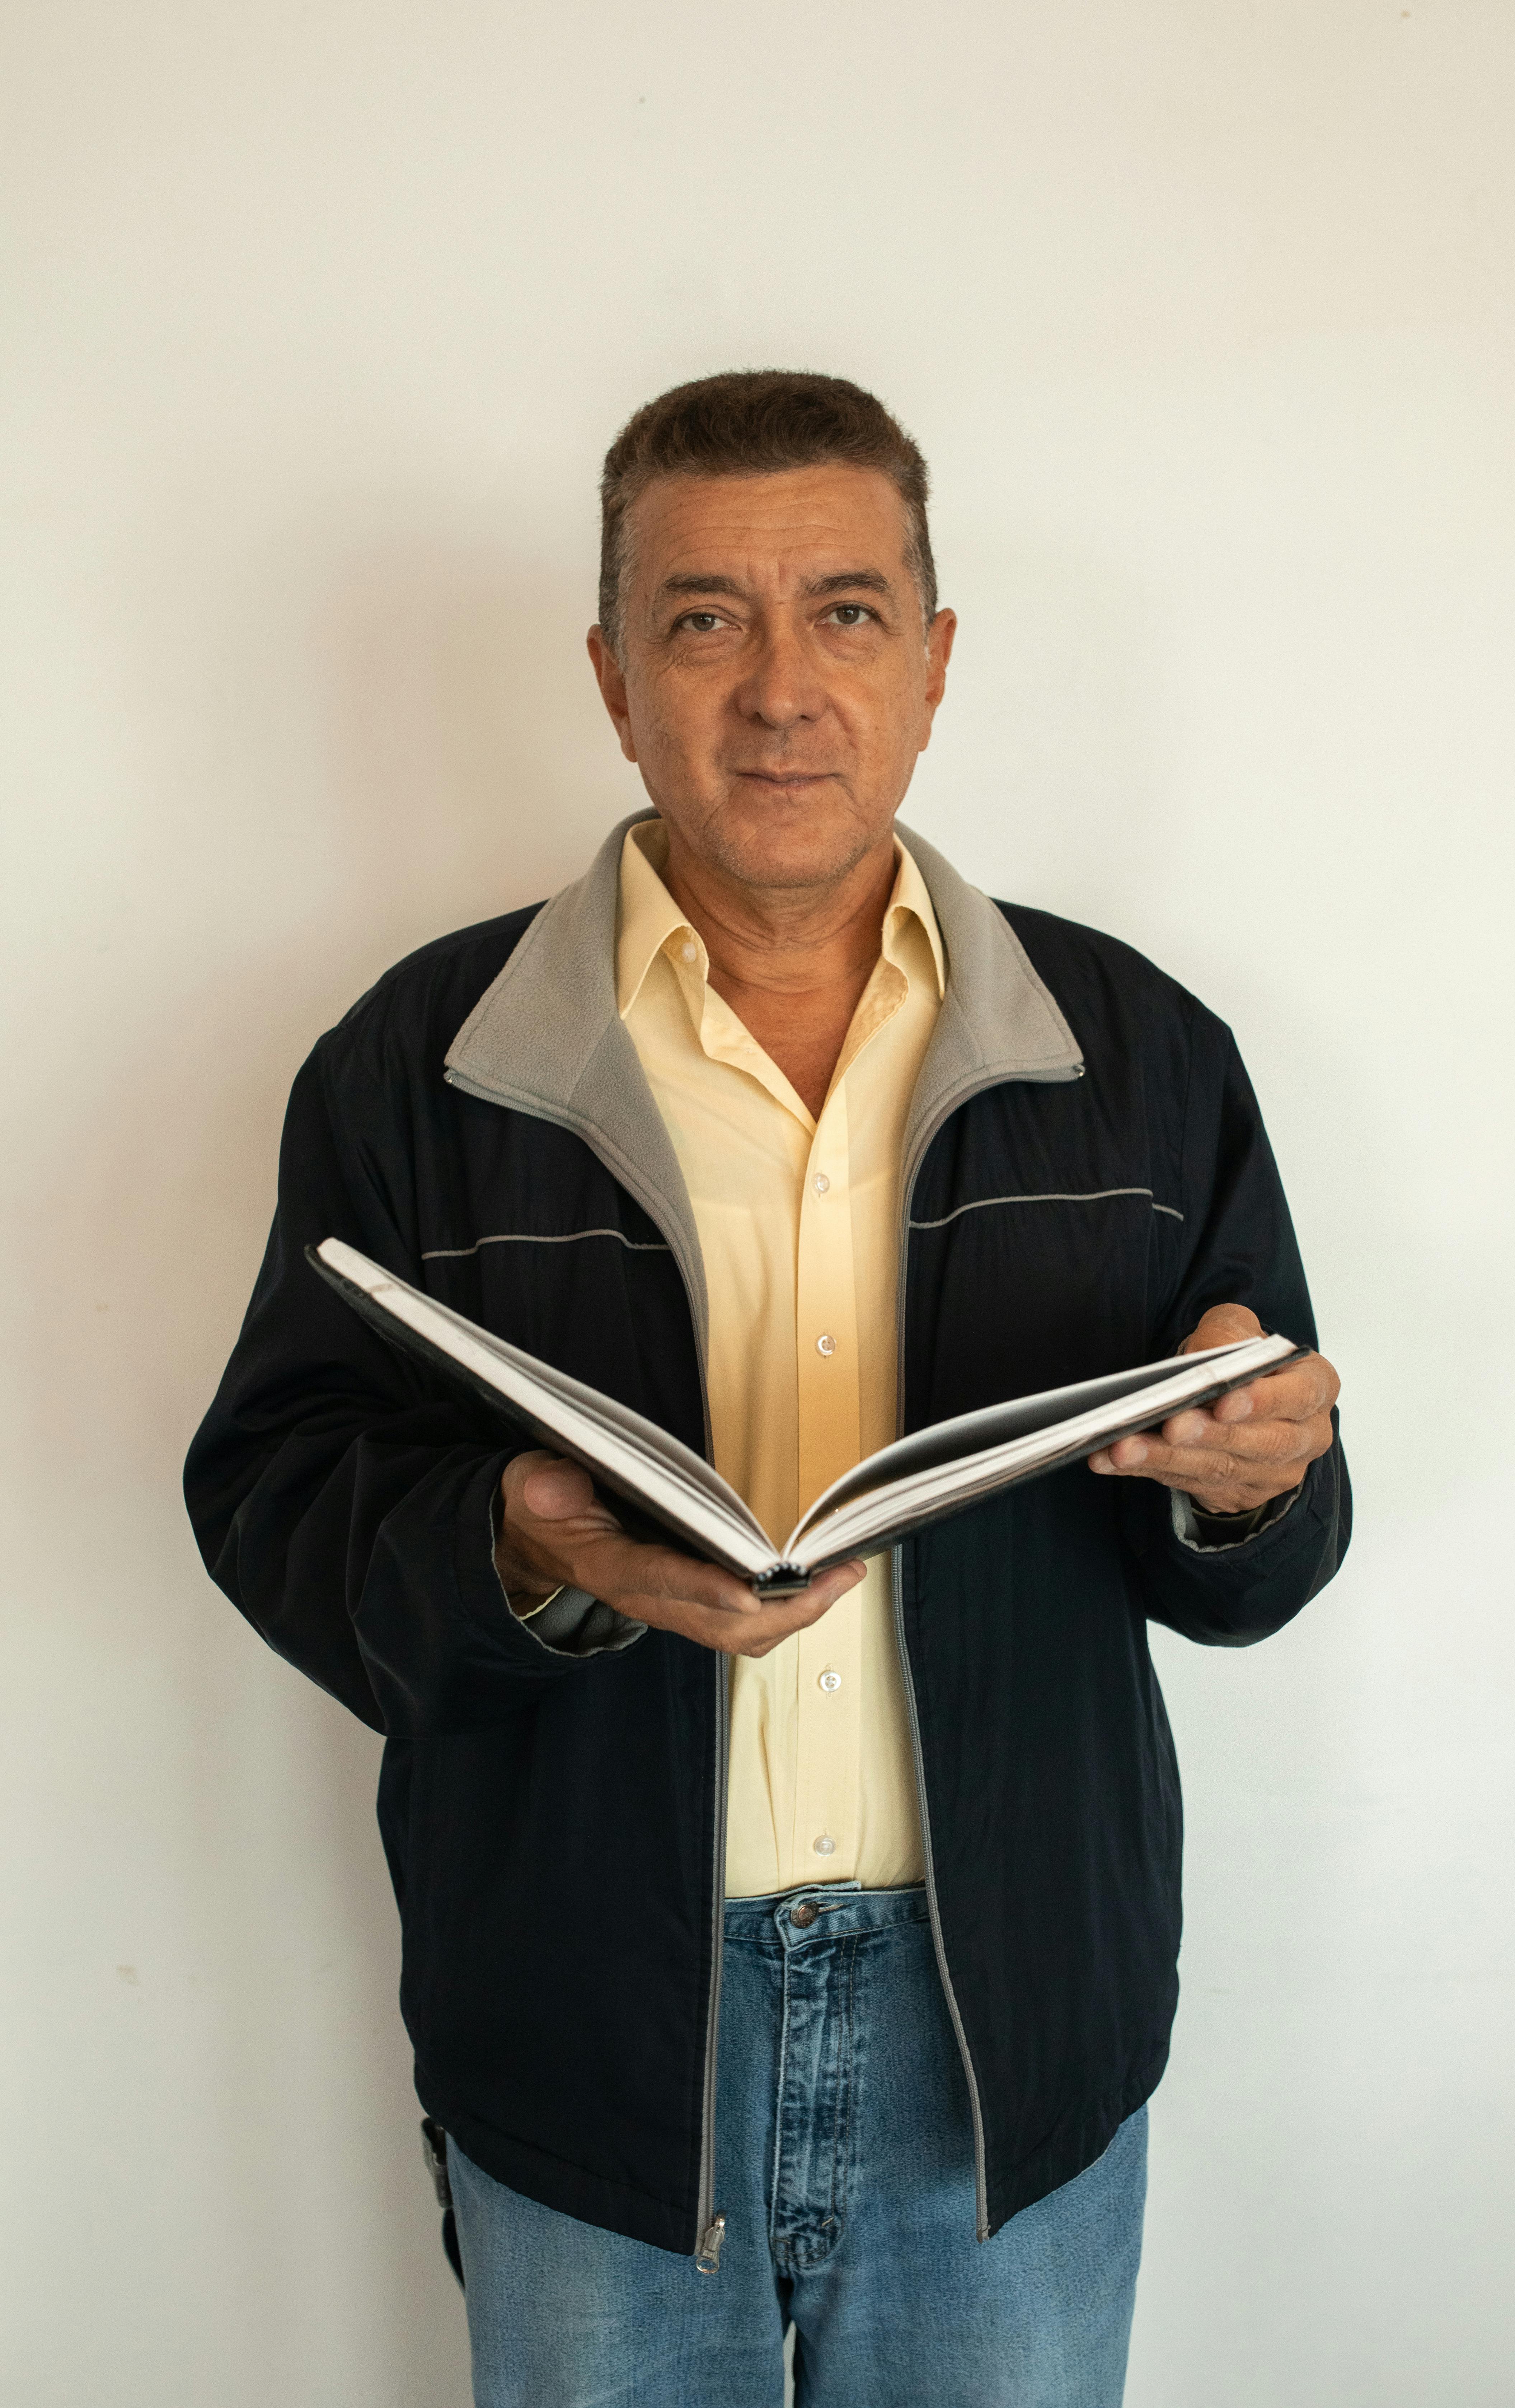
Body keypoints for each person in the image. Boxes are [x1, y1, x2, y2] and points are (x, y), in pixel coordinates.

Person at [185, 370, 1350, 2407]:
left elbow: (1262, 1545)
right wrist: (520, 1549)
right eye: (706, 616)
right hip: (591, 2031)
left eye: (847, 609)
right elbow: (272, 1492)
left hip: (1010, 2045)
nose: (780, 687)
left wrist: (1247, 1486)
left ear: (936, 660)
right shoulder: (417, 1061)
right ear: (614, 675)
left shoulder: (1142, 1054)